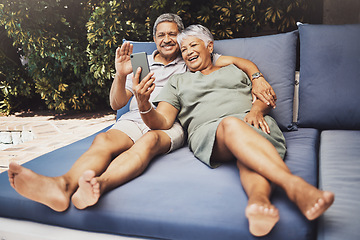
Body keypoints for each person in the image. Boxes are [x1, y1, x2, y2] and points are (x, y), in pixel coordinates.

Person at [8, 14, 276, 213]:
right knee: (103, 141)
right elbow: (116, 104)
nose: (168, 39)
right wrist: (120, 74)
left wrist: (256, 77)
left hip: (169, 120)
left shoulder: (191, 57)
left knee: (149, 141)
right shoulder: (140, 63)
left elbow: (234, 64)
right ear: (154, 39)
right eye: (161, 35)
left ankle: (98, 184)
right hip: (136, 116)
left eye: (173, 34)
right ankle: (63, 185)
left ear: (182, 37)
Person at [134, 24, 335, 237]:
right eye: (184, 49)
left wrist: (257, 110)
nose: (188, 51)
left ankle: (259, 203)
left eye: (193, 45)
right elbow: (162, 122)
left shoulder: (233, 69)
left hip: (255, 123)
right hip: (211, 132)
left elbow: (266, 98)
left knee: (247, 156)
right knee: (231, 125)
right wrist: (143, 105)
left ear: (209, 47)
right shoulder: (177, 81)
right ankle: (294, 186)